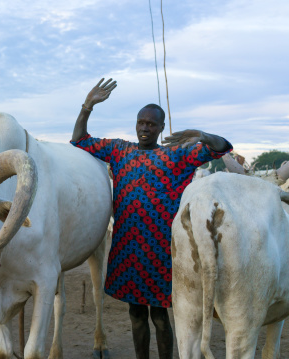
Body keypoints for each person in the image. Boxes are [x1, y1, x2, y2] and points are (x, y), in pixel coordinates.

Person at [71, 78, 232, 359]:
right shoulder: (121, 151)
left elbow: (222, 147)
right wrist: (87, 106)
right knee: (135, 314)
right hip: (128, 248)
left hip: (161, 251)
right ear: (136, 124)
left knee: (160, 316)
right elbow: (79, 140)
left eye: (151, 124)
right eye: (141, 122)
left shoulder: (176, 155)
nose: (145, 128)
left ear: (161, 128)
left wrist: (203, 135)